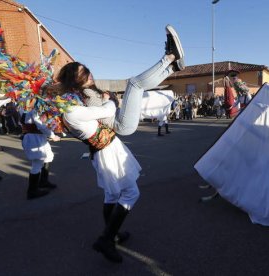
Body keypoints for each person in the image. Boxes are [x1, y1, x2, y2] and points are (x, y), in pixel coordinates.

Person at [52, 24, 184, 263]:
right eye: (84, 74)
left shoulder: (77, 99)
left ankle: (112, 235)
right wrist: (110, 99)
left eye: (88, 71)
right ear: (74, 81)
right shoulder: (72, 108)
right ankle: (170, 59)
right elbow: (108, 109)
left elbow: (101, 109)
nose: (89, 76)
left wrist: (104, 98)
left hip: (105, 148)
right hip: (110, 142)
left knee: (111, 196)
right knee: (134, 84)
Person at [20, 108, 60, 200]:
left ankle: (43, 181)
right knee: (37, 163)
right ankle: (32, 191)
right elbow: (41, 126)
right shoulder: (34, 109)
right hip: (34, 139)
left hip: (38, 137)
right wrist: (53, 136)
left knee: (48, 157)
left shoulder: (33, 107)